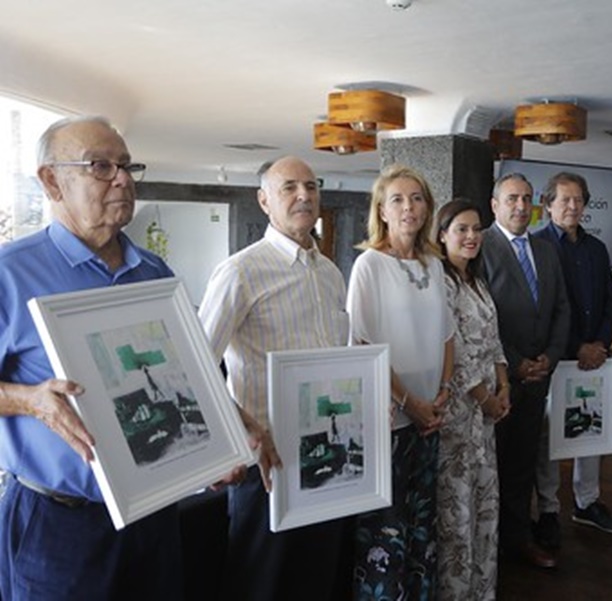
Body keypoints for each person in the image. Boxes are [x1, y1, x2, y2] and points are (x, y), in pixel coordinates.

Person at [0, 116, 270, 600]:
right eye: (100, 166)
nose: (123, 179)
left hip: (154, 516)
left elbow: (186, 374)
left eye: (126, 165)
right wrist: (30, 401)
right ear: (51, 181)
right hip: (61, 525)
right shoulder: (11, 273)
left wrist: (232, 428)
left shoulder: (152, 271)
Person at [198, 156, 350, 601]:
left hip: (327, 455)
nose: (304, 196)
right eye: (289, 188)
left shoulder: (330, 273)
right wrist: (238, 432)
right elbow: (197, 366)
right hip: (267, 463)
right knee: (261, 585)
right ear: (264, 200)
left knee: (318, 580)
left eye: (311, 186)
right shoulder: (241, 271)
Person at [347, 164, 455, 599]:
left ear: (427, 208)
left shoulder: (434, 264)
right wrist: (411, 403)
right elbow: (363, 343)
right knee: (386, 530)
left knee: (422, 523)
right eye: (397, 199)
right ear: (382, 211)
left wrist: (442, 394)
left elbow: (447, 336)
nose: (408, 207)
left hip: (430, 418)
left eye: (416, 198)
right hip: (391, 420)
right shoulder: (369, 265)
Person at [480, 172, 570, 569]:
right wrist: (516, 362)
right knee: (493, 468)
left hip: (538, 380)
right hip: (496, 381)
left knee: (522, 466)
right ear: (494, 204)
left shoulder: (546, 250)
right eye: (512, 198)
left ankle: (518, 540)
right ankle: (489, 548)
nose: (521, 206)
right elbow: (482, 317)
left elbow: (562, 308)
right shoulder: (480, 246)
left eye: (527, 199)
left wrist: (550, 356)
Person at [531, 172, 612, 545]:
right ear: (548, 204)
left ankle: (587, 502)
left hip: (594, 360)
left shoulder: (597, 249)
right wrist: (576, 348)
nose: (573, 206)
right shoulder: (537, 246)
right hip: (556, 360)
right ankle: (549, 509)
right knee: (549, 439)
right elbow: (544, 311)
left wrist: (600, 343)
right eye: (565, 200)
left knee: (590, 431)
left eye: (578, 200)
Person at [433, 199, 510, 600]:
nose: (471, 236)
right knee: (457, 512)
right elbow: (455, 353)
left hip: (486, 418)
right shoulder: (440, 283)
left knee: (484, 505)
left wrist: (504, 386)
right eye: (461, 229)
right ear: (442, 235)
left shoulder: (477, 283)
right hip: (459, 416)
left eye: (476, 229)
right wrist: (484, 398)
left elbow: (494, 342)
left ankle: (482, 591)